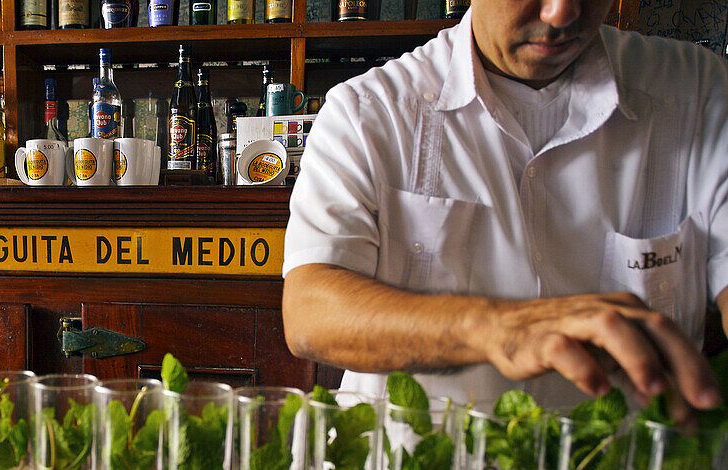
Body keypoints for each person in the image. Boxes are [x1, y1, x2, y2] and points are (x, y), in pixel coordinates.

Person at [281, 0, 728, 420]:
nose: (562, 12)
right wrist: (498, 328)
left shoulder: (696, 92)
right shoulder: (369, 112)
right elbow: (310, 314)